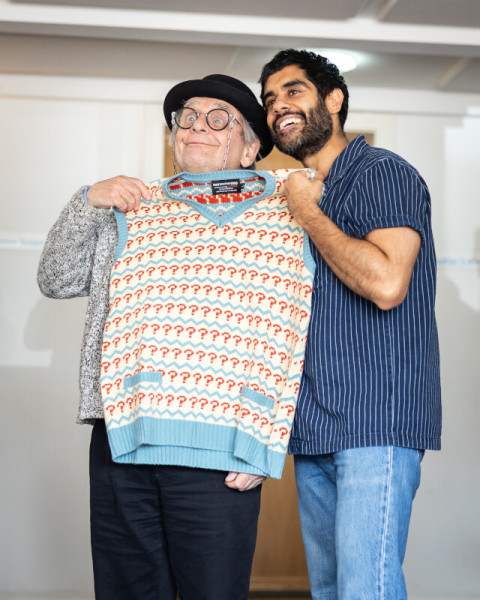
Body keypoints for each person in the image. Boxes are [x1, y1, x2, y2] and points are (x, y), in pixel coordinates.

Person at [38, 73, 316, 600]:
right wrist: (86, 200)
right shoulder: (130, 207)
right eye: (186, 117)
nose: (197, 127)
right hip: (123, 441)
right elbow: (55, 280)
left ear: (253, 147)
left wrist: (269, 440)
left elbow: (301, 329)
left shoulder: (294, 208)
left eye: (220, 119)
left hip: (224, 454)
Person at [259, 49, 441, 599]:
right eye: (270, 100)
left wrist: (308, 212)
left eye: (293, 91)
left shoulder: (382, 173)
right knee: (332, 589)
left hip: (375, 421)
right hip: (314, 422)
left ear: (334, 100)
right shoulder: (301, 194)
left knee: (367, 589)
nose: (278, 108)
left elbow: (387, 285)